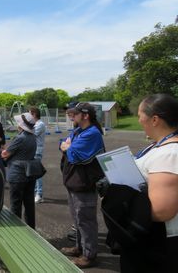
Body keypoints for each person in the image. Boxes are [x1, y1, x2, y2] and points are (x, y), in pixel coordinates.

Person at [114, 94, 178, 272]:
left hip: (157, 244)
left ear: (155, 119)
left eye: (140, 114)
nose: (139, 119)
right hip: (151, 238)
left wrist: (120, 203)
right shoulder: (158, 146)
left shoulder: (169, 153)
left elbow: (161, 210)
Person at [59, 103, 105, 269]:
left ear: (85, 115)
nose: (71, 116)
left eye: (75, 113)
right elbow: (62, 143)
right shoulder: (79, 130)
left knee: (86, 221)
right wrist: (66, 146)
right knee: (77, 219)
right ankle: (80, 247)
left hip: (84, 184)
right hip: (74, 183)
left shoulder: (92, 133)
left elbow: (75, 155)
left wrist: (68, 147)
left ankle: (89, 255)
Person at [1, 113, 37, 228]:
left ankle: (15, 230)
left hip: (17, 173)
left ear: (21, 125)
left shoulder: (20, 138)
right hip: (30, 172)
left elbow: (5, 154)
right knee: (29, 203)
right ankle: (31, 229)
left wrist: (3, 151)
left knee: (15, 204)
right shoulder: (33, 137)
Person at [29, 106, 47, 204]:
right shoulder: (36, 124)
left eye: (30, 114)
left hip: (37, 151)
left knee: (36, 173)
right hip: (33, 150)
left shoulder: (40, 124)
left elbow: (31, 134)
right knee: (33, 173)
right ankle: (36, 192)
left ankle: (39, 194)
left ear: (34, 114)